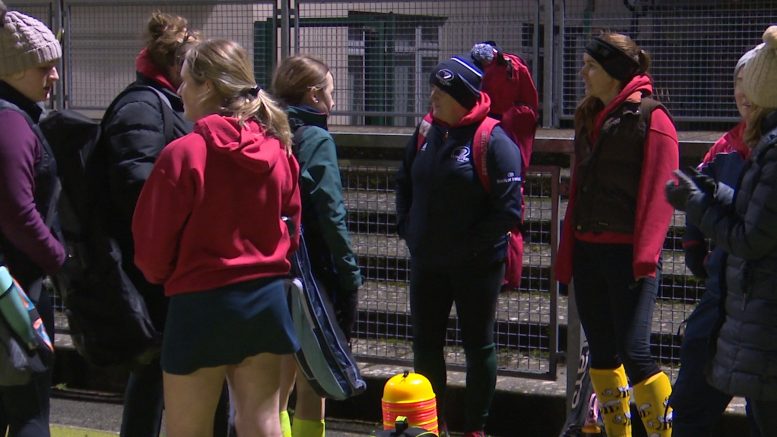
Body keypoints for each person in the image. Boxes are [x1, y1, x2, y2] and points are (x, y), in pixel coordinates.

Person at [131, 38, 301, 437]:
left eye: (186, 81)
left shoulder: (183, 154)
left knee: (188, 430)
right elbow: (292, 228)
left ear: (207, 86)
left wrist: (167, 275)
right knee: (263, 422)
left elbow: (152, 246)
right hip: (265, 301)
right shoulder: (279, 150)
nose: (180, 90)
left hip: (200, 303)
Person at [97, 12, 230, 437]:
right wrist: (186, 225)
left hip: (169, 266)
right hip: (156, 270)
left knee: (166, 376)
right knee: (159, 373)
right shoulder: (142, 105)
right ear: (176, 65)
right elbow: (137, 185)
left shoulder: (160, 103)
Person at [555, 32, 678, 437]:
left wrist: (644, 258)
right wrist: (568, 254)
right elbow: (578, 191)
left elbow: (660, 193)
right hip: (588, 252)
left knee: (635, 353)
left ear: (613, 71)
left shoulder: (651, 118)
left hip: (628, 257)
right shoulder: (590, 115)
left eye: (590, 66)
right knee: (603, 355)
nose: (582, 73)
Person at [395, 56, 523, 437]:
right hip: (427, 261)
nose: (432, 96)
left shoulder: (493, 140)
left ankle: (474, 427)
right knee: (426, 345)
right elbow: (404, 180)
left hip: (477, 266)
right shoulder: (426, 130)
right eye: (433, 88)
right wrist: (407, 228)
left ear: (463, 97)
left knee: (478, 345)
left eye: (441, 91)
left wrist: (469, 248)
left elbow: (508, 211)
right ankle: (432, 424)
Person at [665, 25, 777, 437]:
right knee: (697, 403)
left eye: (750, 81)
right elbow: (755, 212)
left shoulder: (771, 148)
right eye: (737, 83)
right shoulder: (735, 145)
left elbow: (752, 237)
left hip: (757, 302)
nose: (741, 93)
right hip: (736, 296)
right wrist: (711, 193)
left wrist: (698, 202)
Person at [271, 55, 362, 437]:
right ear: (313, 95)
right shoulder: (316, 138)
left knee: (278, 383)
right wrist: (349, 272)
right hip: (314, 270)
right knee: (315, 379)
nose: (333, 101)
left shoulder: (268, 129)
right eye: (330, 92)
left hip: (274, 263)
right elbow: (330, 212)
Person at [0, 2, 65, 435]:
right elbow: (17, 211)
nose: (53, 76)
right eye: (44, 67)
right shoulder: (12, 123)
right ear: (13, 67)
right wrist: (58, 258)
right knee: (29, 411)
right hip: (16, 292)